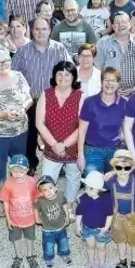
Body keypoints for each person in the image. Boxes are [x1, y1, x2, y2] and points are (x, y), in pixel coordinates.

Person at [0, 48, 33, 214]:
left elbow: (29, 99)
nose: (2, 65)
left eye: (5, 61)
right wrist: (3, 115)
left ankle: (21, 195)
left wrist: (23, 108)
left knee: (20, 164)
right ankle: (0, 199)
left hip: (20, 131)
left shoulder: (19, 77)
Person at [36, 61, 85, 204]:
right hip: (51, 148)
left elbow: (82, 126)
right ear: (54, 75)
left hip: (73, 147)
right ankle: (50, 207)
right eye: (60, 73)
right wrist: (54, 145)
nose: (63, 77)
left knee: (73, 178)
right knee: (47, 180)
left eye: (67, 74)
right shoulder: (46, 95)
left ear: (73, 77)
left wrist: (63, 145)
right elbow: (39, 123)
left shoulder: (80, 96)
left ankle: (69, 206)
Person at [104, 149, 135, 268]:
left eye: (126, 167)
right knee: (120, 240)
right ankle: (122, 262)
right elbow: (98, 189)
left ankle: (134, 263)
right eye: (118, 167)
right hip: (117, 217)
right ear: (114, 167)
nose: (122, 171)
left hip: (134, 217)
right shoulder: (111, 181)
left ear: (131, 167)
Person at [77, 67, 127, 174]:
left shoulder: (124, 103)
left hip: (115, 151)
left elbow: (127, 131)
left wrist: (129, 153)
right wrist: (80, 155)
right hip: (93, 150)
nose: (109, 83)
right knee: (93, 182)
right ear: (101, 82)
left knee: (114, 184)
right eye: (106, 80)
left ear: (118, 83)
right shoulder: (89, 102)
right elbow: (81, 131)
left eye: (113, 80)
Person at [96, 12, 135, 96]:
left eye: (123, 22)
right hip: (110, 93)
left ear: (129, 24)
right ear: (113, 27)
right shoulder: (103, 43)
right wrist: (109, 88)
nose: (120, 25)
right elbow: (98, 70)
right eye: (117, 23)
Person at [0, 155, 40, 268]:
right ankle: (18, 256)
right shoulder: (8, 183)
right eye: (14, 171)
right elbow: (5, 202)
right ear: (10, 170)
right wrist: (8, 219)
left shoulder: (32, 182)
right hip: (15, 219)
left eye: (21, 171)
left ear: (26, 170)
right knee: (15, 238)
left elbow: (36, 198)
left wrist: (37, 214)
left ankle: (30, 255)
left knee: (30, 238)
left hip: (29, 218)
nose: (17, 174)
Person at [76, 171, 114, 268]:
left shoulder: (106, 201)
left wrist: (106, 227)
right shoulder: (83, 198)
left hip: (101, 228)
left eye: (91, 188)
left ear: (99, 190)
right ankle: (91, 262)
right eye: (86, 187)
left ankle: (102, 264)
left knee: (101, 247)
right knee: (90, 246)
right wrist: (78, 226)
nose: (87, 190)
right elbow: (79, 213)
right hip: (87, 227)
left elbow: (109, 215)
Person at [35, 175, 72, 268]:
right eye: (45, 190)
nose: (49, 192)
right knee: (48, 245)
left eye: (50, 188)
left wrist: (67, 216)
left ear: (55, 188)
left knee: (63, 242)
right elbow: (36, 209)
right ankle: (49, 259)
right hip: (48, 230)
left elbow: (64, 204)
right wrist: (37, 219)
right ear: (41, 193)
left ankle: (64, 254)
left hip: (61, 226)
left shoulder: (60, 196)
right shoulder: (40, 201)